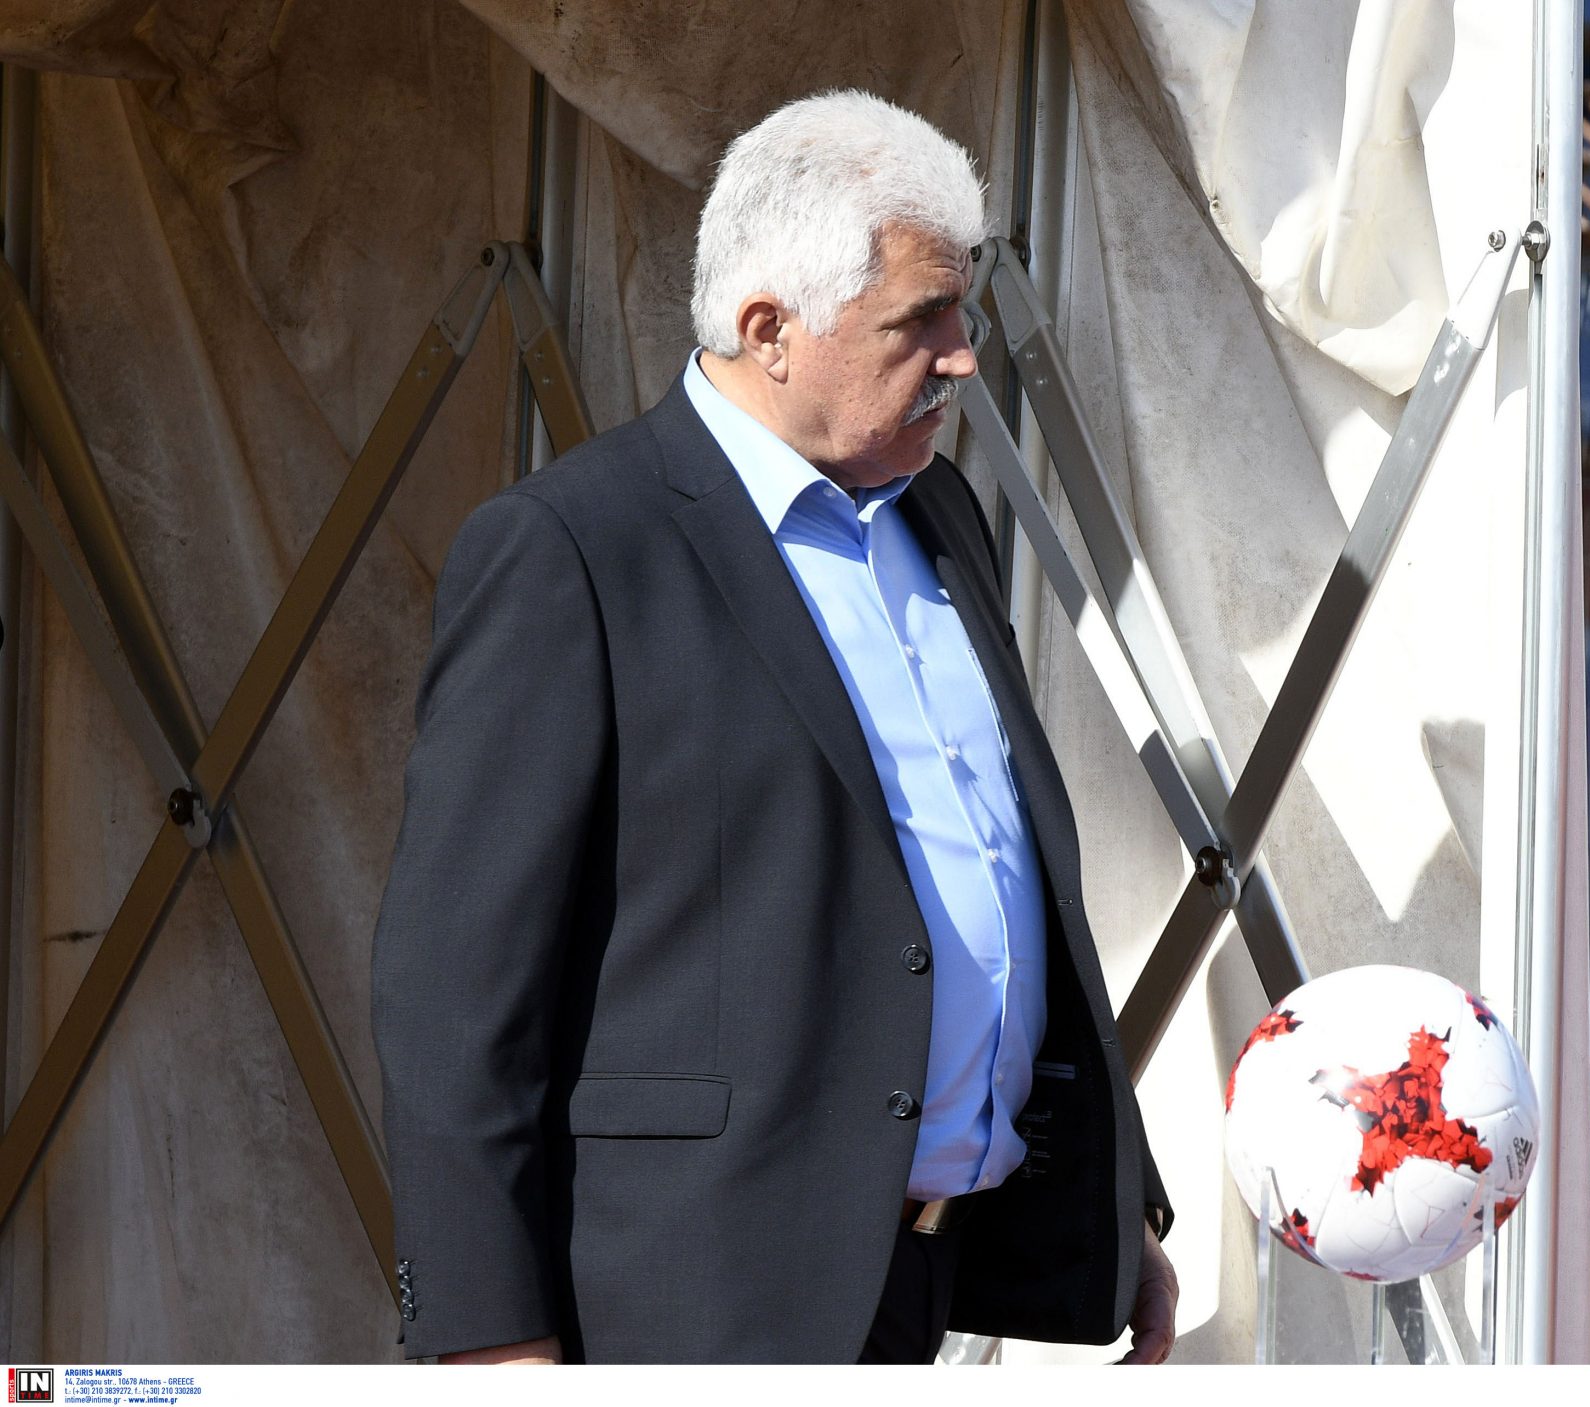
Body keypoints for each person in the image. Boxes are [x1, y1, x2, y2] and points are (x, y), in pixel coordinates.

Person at [370, 88, 1176, 1366]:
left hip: (914, 1280)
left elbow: (996, 874)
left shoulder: (938, 516)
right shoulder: (576, 548)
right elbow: (455, 990)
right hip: (690, 1303)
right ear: (770, 331)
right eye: (920, 320)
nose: (963, 356)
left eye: (962, 314)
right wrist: (489, 1340)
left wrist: (1108, 1202)